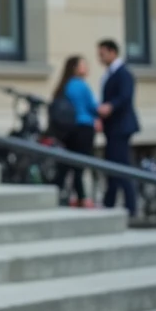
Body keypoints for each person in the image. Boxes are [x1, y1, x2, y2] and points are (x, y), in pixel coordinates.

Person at [96, 38, 140, 215]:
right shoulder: (110, 74)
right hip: (112, 127)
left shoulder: (123, 73)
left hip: (121, 127)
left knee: (121, 166)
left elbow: (124, 97)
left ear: (112, 52)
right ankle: (110, 203)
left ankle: (130, 207)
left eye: (102, 54)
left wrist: (110, 106)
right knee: (113, 166)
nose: (100, 58)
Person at [49, 55, 99, 207]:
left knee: (66, 164)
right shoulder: (81, 85)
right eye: (84, 65)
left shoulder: (65, 85)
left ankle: (57, 192)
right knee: (79, 166)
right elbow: (93, 107)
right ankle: (82, 198)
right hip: (84, 128)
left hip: (68, 131)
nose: (87, 68)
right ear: (75, 68)